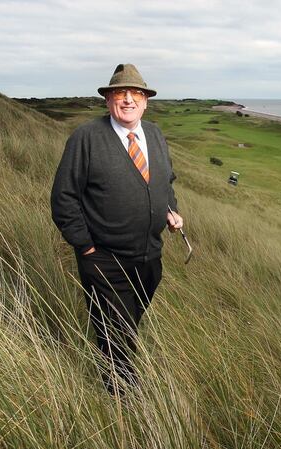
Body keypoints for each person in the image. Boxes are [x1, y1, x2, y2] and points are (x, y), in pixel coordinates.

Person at [50, 63, 183, 395]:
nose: (128, 99)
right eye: (120, 93)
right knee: (115, 330)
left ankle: (118, 369)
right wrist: (85, 247)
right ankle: (122, 396)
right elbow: (64, 197)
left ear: (145, 101)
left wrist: (171, 210)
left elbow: (165, 181)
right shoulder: (86, 138)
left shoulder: (154, 134)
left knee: (129, 321)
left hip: (150, 255)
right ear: (108, 100)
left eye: (135, 93)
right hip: (105, 258)